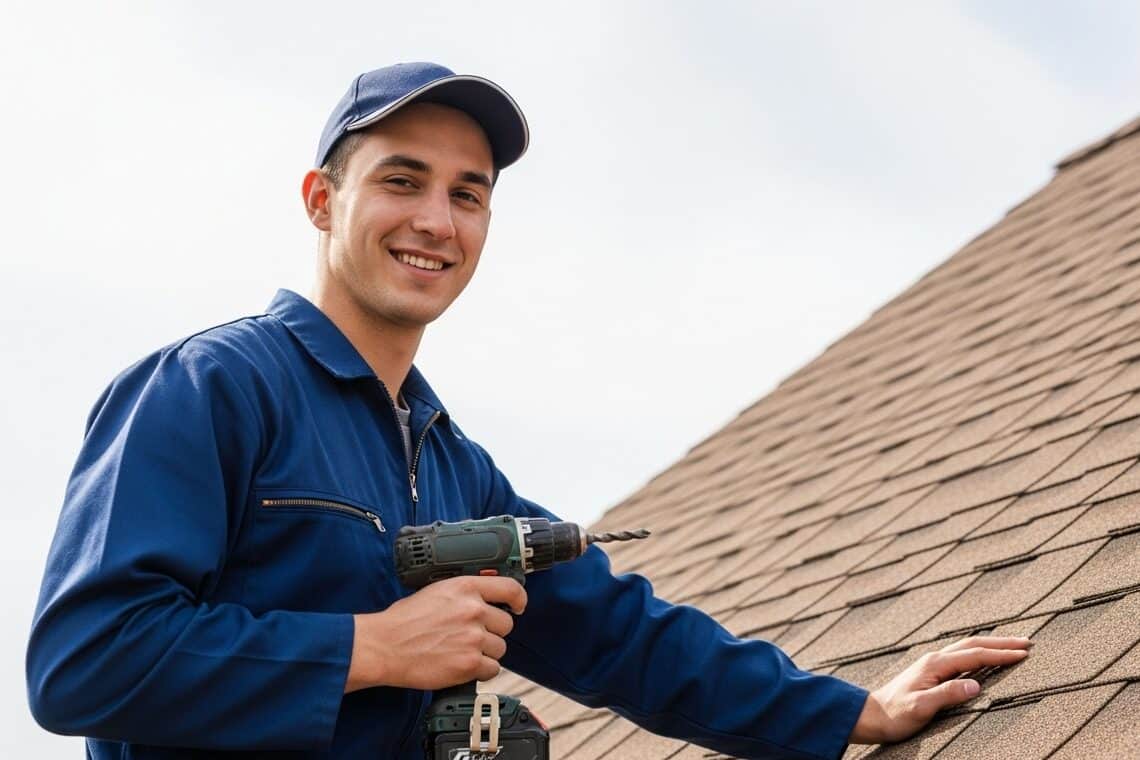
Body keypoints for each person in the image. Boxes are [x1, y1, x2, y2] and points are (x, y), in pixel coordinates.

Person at [26, 62, 1031, 759]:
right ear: (322, 200)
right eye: (402, 180)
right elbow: (84, 659)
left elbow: (623, 637)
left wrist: (856, 710)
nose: (436, 219)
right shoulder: (207, 389)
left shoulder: (455, 465)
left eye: (469, 193)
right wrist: (371, 649)